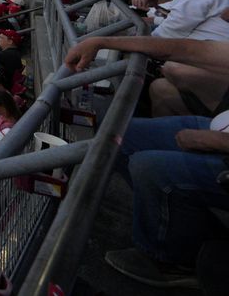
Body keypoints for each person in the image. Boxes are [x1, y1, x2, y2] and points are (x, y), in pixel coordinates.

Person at [65, 35, 229, 288]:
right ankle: (185, 227)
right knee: (121, 136)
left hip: (223, 149)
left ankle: (170, 261)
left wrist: (216, 143)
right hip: (217, 129)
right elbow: (186, 49)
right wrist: (101, 42)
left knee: (148, 166)